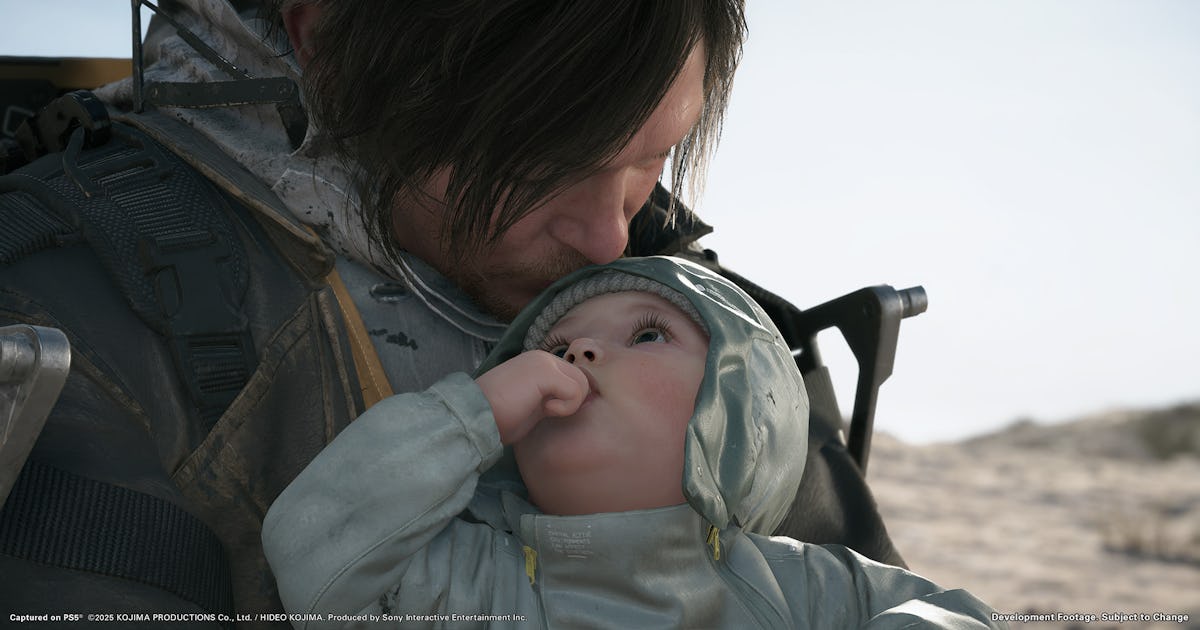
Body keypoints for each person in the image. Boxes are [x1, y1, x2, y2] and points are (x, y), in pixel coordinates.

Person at [0, 0, 899, 623]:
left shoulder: (700, 307)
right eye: (544, 166)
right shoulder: (80, 308)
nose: (605, 239)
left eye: (649, 158)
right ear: (334, 47)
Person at [262, 256, 1001, 629]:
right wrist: (471, 415)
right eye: (552, 348)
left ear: (745, 404)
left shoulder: (797, 584)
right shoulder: (476, 583)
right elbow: (315, 550)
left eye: (647, 335)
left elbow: (959, 615)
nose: (577, 355)